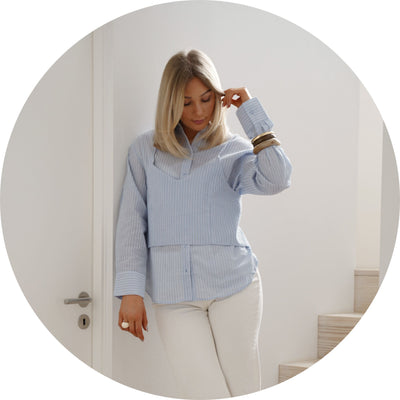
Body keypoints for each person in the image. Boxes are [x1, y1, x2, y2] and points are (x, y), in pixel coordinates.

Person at [114, 49, 292, 399]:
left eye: (206, 99)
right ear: (170, 103)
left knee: (243, 389)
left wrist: (251, 113)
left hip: (234, 287)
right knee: (203, 391)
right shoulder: (145, 151)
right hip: (173, 296)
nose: (198, 111)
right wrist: (131, 291)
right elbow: (131, 223)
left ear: (217, 96)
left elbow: (277, 179)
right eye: (186, 102)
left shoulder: (233, 150)